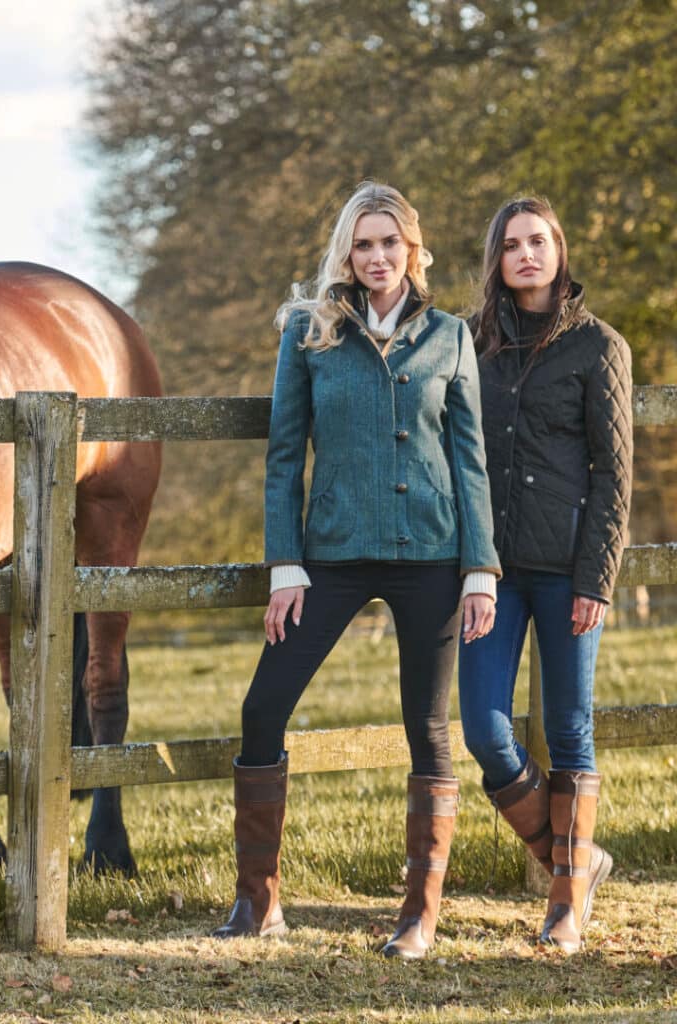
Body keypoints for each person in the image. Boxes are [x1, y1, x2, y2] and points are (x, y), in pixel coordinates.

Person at [212, 182, 501, 959]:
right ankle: (258, 901)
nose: (376, 258)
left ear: (413, 249)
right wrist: (286, 567)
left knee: (427, 729)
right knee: (262, 708)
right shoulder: (312, 333)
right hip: (331, 556)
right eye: (362, 244)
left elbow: (470, 459)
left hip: (433, 556)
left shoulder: (449, 335)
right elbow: (283, 459)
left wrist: (481, 569)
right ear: (347, 252)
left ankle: (419, 916)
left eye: (388, 243)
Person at [458, 196, 633, 954]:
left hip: (567, 570)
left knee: (569, 731)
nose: (526, 254)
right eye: (512, 245)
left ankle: (565, 905)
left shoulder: (600, 347)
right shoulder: (472, 343)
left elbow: (614, 475)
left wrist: (596, 577)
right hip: (492, 574)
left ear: (560, 250)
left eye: (539, 241)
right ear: (496, 260)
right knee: (484, 730)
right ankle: (575, 858)